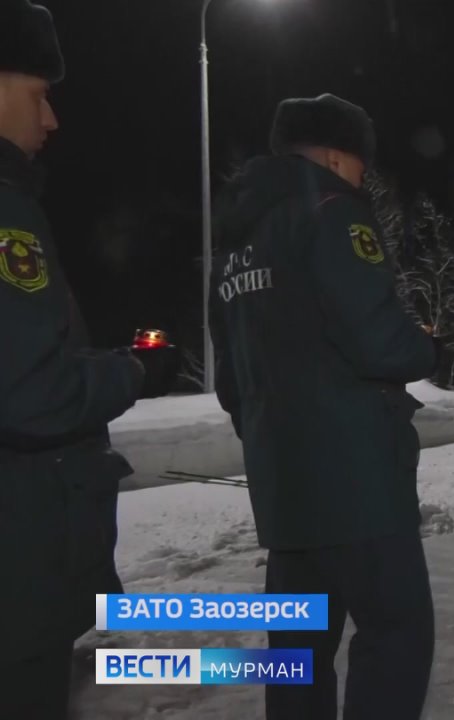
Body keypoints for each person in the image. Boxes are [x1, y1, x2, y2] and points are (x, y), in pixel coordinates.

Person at [209, 94, 437, 719]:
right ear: (338, 156)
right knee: (397, 633)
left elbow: (233, 380)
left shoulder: (234, 244)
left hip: (283, 488)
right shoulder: (333, 213)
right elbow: (378, 337)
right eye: (363, 166)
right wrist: (426, 347)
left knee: (299, 653)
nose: (365, 180)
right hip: (357, 481)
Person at [0, 3, 177, 717]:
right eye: (40, 95)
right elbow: (30, 392)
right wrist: (134, 372)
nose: (52, 121)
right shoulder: (7, 214)